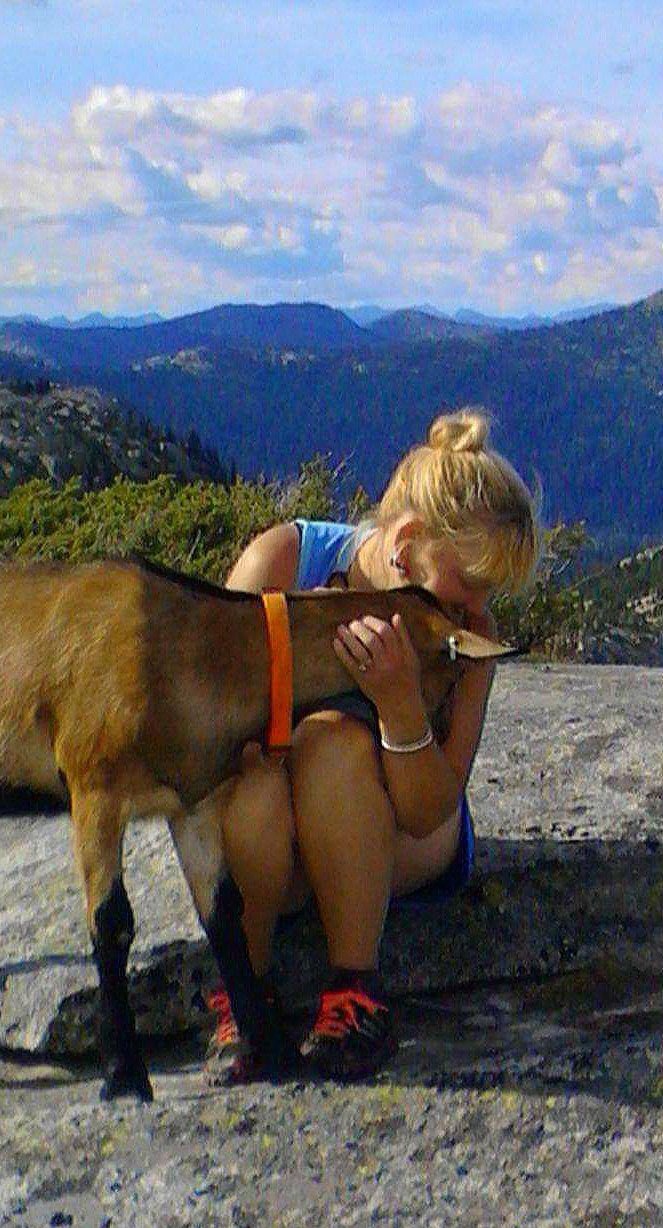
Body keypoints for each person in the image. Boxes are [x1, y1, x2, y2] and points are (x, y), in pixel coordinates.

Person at [208, 406, 540, 1084]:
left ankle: (355, 993)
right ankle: (247, 991)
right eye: (471, 580)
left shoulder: (470, 637)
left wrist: (399, 706)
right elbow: (201, 715)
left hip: (398, 835)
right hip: (276, 839)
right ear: (411, 539)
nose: (479, 608)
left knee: (332, 747)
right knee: (249, 773)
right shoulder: (286, 560)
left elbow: (429, 811)